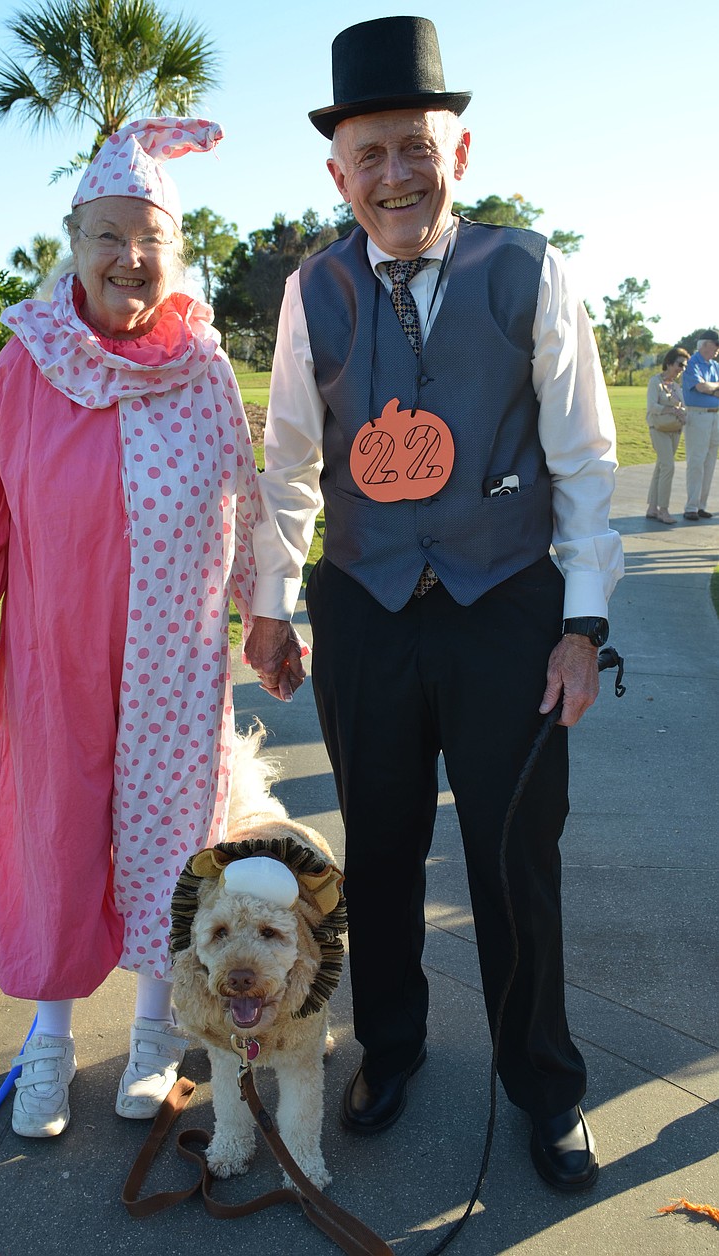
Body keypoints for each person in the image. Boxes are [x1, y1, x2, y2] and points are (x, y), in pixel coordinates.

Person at [244, 16, 624, 1192]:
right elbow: (290, 460)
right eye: (372, 155)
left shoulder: (529, 267)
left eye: (416, 146)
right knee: (386, 849)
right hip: (362, 605)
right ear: (337, 173)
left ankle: (542, 1082)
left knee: (516, 855)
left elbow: (587, 462)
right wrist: (275, 602)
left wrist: (581, 623)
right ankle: (392, 1044)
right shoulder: (313, 287)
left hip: (505, 601)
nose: (396, 173)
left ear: (456, 151)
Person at [0, 117, 258, 1139]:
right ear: (74, 242)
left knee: (167, 833)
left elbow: (248, 494)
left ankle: (154, 1033)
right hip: (54, 649)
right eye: (108, 235)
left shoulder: (201, 366)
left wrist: (272, 616)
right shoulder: (28, 362)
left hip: (176, 648)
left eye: (148, 237)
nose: (130, 256)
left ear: (175, 249)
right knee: (55, 835)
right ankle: (48, 1039)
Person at [645, 347, 689, 524]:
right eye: (680, 364)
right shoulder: (655, 382)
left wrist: (681, 412)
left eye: (684, 366)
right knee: (668, 467)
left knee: (661, 467)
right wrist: (672, 409)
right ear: (669, 363)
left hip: (674, 430)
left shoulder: (677, 387)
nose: (681, 369)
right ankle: (663, 510)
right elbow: (652, 406)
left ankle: (652, 508)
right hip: (658, 429)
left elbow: (684, 407)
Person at [681, 331, 719, 520]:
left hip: (715, 416)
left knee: (710, 461)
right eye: (715, 345)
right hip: (697, 415)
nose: (717, 349)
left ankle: (701, 505)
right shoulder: (692, 364)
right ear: (704, 345)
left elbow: (707, 387)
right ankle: (691, 506)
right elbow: (700, 387)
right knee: (696, 461)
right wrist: (713, 388)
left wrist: (710, 387)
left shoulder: (715, 366)